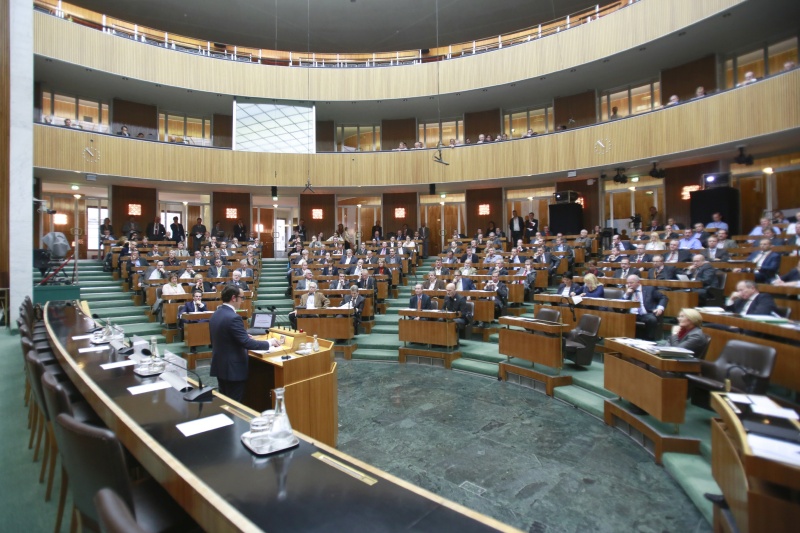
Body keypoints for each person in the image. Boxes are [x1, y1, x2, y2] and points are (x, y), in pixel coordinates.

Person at [210, 286, 276, 401]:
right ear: (233, 298)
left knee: (224, 401)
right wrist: (269, 343)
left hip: (220, 366)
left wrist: (243, 335)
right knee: (234, 405)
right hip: (233, 370)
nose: (242, 301)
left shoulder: (216, 314)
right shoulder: (234, 317)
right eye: (241, 298)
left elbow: (224, 336)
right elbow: (247, 343)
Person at [623, 275, 668, 341]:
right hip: (631, 314)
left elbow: (663, 297)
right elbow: (621, 302)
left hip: (645, 313)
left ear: (638, 282)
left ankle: (649, 340)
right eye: (628, 283)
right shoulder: (628, 291)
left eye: (631, 283)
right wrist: (626, 294)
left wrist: (660, 308)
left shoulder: (649, 289)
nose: (629, 285)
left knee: (652, 319)